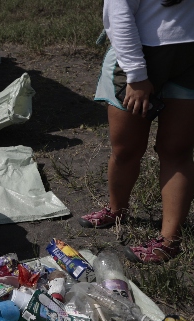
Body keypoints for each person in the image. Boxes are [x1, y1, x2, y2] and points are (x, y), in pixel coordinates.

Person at [83, 0, 194, 263]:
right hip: (139, 53)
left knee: (177, 151)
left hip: (190, 56)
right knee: (125, 149)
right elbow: (118, 14)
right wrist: (136, 75)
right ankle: (116, 209)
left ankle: (168, 241)